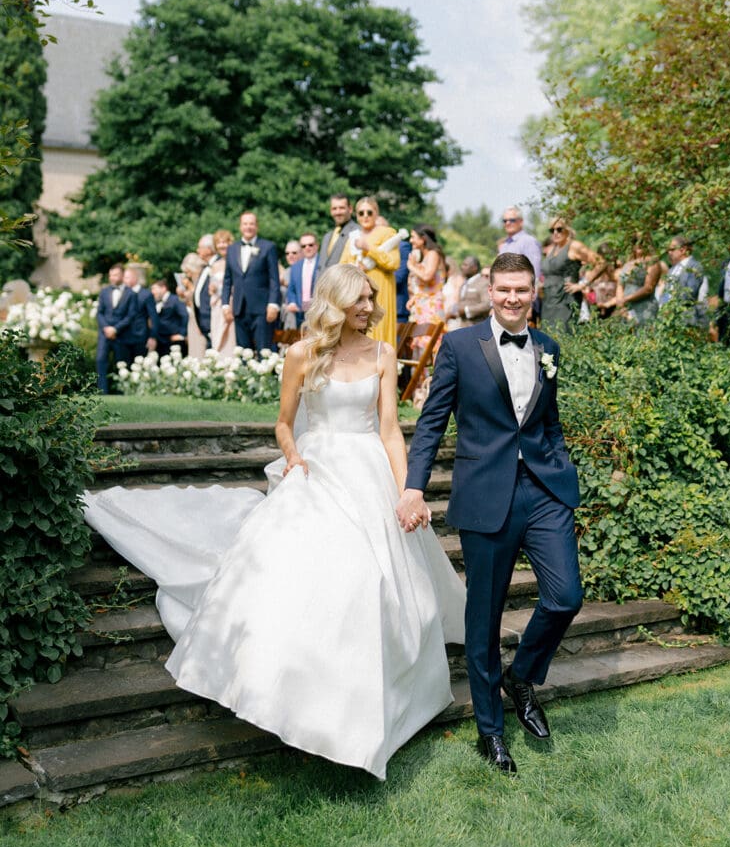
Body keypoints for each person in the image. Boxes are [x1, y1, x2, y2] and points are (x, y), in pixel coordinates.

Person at [84, 264, 465, 780]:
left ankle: (373, 704)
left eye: (370, 298)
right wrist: (293, 457)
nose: (367, 306)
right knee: (302, 579)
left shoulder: (381, 354)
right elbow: (284, 425)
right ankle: (291, 694)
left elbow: (392, 430)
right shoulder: (301, 354)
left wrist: (406, 492)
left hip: (369, 472)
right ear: (334, 301)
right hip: (317, 470)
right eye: (358, 298)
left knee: (378, 579)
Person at [396, 252, 583, 776]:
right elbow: (432, 423)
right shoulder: (458, 347)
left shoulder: (549, 348)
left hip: (545, 490)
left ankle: (520, 676)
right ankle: (491, 732)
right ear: (490, 289)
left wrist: (562, 468)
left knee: (566, 595)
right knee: (484, 617)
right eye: (503, 289)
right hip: (485, 494)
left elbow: (549, 421)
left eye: (521, 289)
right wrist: (414, 487)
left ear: (533, 290)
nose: (512, 298)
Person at [340, 197, 400, 347]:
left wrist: (369, 249)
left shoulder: (387, 233)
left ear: (376, 213)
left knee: (378, 330)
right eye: (361, 213)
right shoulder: (353, 237)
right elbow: (342, 266)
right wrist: (354, 268)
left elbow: (393, 262)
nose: (365, 216)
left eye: (369, 212)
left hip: (380, 291)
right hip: (356, 294)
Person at [222, 211, 281, 352]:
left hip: (262, 309)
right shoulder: (232, 249)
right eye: (245, 224)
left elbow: (274, 279)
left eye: (252, 224)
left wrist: (273, 304)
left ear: (257, 226)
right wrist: (225, 304)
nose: (248, 227)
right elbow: (227, 279)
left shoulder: (268, 247)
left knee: (264, 351)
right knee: (243, 352)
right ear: (240, 226)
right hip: (239, 308)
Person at [540, 217, 604, 333]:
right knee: (547, 340)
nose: (555, 233)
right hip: (549, 302)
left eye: (559, 229)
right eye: (552, 230)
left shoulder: (574, 246)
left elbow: (601, 263)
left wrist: (582, 284)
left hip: (565, 300)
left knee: (563, 336)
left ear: (567, 230)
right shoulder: (553, 249)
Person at [597, 234, 660, 325]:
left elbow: (648, 288)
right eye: (635, 241)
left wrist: (626, 299)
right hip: (626, 308)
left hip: (644, 307)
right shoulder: (628, 263)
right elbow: (620, 285)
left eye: (642, 242)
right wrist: (620, 304)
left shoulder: (652, 262)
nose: (639, 244)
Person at [406, 224, 446, 363]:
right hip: (422, 307)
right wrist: (415, 298)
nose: (410, 240)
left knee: (430, 345)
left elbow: (428, 276)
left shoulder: (433, 254)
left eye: (413, 237)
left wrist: (412, 267)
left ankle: (430, 381)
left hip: (432, 307)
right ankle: (420, 382)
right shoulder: (425, 256)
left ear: (423, 239)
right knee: (420, 348)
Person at [95, 264, 138, 393]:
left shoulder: (131, 294)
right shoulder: (104, 292)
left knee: (122, 364)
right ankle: (102, 392)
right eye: (110, 275)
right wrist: (106, 328)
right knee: (100, 360)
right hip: (104, 334)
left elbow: (131, 316)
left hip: (122, 334)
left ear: (122, 275)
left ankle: (122, 391)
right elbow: (99, 312)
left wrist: (116, 329)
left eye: (115, 275)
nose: (111, 278)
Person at [659, 235, 708, 329]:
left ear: (683, 250)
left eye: (672, 249)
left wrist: (671, 308)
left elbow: (689, 294)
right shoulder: (672, 269)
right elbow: (666, 292)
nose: (669, 253)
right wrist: (663, 308)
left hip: (685, 318)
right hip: (667, 319)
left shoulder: (695, 267)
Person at [122, 265, 158, 363]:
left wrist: (153, 337)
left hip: (140, 337)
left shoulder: (146, 294)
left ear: (135, 278)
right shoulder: (123, 293)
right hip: (124, 338)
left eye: (127, 277)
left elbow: (153, 317)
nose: (124, 280)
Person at [498, 206, 542, 285]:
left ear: (521, 222)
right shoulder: (504, 245)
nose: (508, 223)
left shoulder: (528, 242)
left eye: (512, 220)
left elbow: (534, 273)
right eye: (505, 221)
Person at [284, 232, 320, 328]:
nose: (307, 248)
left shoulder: (323, 263)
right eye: (303, 246)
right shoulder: (296, 266)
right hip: (299, 314)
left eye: (310, 245)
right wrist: (292, 302)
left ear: (317, 246)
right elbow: (291, 289)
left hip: (318, 313)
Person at [190, 234, 219, 350]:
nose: (197, 250)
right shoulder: (204, 268)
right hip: (203, 320)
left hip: (213, 318)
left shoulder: (219, 264)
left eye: (200, 247)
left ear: (208, 249)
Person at [209, 229, 235, 356]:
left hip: (231, 304)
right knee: (216, 337)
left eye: (225, 242)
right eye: (219, 243)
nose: (222, 245)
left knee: (230, 337)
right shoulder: (215, 265)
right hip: (217, 307)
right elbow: (211, 287)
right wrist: (212, 288)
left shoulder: (236, 262)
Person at [318, 193, 359, 272]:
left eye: (341, 208)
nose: (338, 212)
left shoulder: (357, 232)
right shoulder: (327, 237)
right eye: (334, 208)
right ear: (330, 211)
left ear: (350, 209)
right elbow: (320, 267)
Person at [151, 278, 188, 357]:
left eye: (154, 289)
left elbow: (185, 315)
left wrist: (181, 334)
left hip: (173, 340)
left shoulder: (175, 299)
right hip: (161, 341)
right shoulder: (156, 302)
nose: (152, 292)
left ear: (163, 288)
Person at [451, 255, 491, 327]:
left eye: (465, 265)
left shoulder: (483, 283)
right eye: (462, 264)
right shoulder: (465, 283)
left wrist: (466, 310)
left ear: (474, 268)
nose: (462, 267)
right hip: (463, 326)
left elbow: (487, 304)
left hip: (477, 326)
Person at [442, 256, 466, 331]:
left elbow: (457, 299)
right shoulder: (444, 280)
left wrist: (449, 314)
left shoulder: (458, 279)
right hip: (443, 316)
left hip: (452, 317)